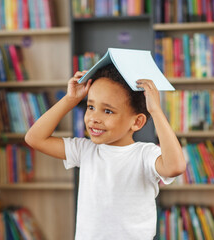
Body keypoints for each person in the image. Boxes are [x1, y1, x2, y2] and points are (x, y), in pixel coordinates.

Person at [25, 63, 186, 239]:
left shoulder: (144, 154)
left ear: (137, 122)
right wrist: (70, 99)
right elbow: (34, 138)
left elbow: (175, 166)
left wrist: (155, 111)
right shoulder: (85, 150)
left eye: (108, 111)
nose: (94, 118)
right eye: (90, 107)